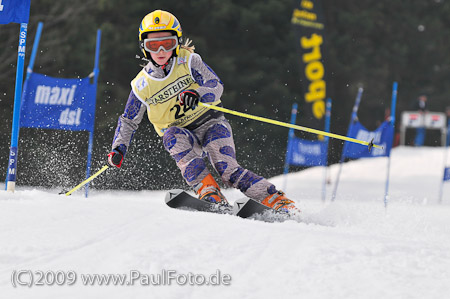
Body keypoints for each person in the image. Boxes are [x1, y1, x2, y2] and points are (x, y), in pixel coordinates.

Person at [107, 10, 299, 215]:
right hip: (180, 132)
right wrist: (118, 149)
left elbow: (216, 84)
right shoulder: (141, 84)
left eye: (168, 43)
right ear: (144, 48)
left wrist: (197, 93)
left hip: (210, 123)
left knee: (227, 170)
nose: (161, 50)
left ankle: (276, 199)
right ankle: (209, 192)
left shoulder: (189, 61)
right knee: (171, 137)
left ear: (177, 43)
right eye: (153, 45)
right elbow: (128, 120)